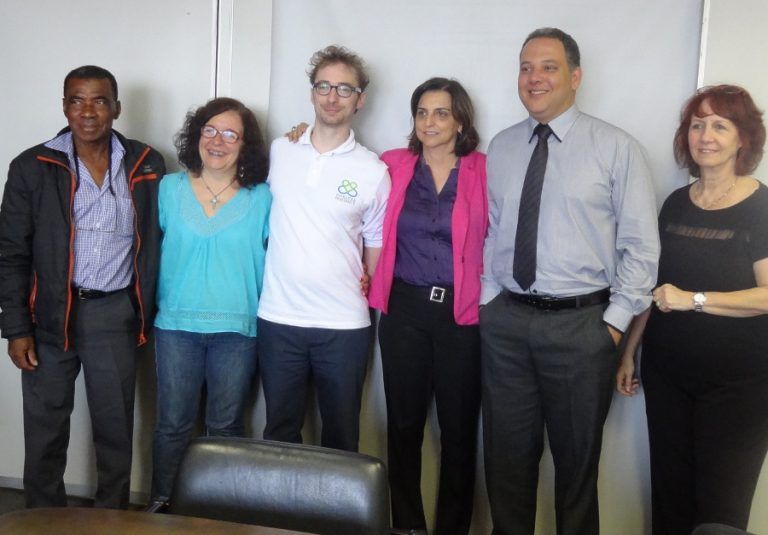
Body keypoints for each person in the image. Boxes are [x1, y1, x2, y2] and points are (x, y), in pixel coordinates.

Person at [480, 28, 659, 534]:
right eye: (526, 67)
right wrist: (489, 300)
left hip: (582, 329)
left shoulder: (616, 148)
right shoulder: (503, 146)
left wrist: (613, 325)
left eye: (549, 67)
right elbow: (493, 230)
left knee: (576, 470)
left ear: (575, 77)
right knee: (506, 465)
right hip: (507, 326)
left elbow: (641, 248)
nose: (534, 78)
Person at [0, 65, 165, 508]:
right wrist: (16, 329)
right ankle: (42, 519)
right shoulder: (32, 166)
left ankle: (111, 518)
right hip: (49, 314)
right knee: (45, 430)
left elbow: (158, 238)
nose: (87, 111)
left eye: (99, 100)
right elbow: (11, 252)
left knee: (115, 430)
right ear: (64, 106)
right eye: (77, 100)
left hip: (114, 314)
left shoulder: (146, 162)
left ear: (116, 107)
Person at [616, 85, 768, 535]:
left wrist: (695, 299)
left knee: (720, 513)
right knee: (670, 500)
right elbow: (655, 285)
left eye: (720, 125)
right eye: (698, 125)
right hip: (668, 375)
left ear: (743, 139)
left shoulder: (761, 207)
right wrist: (629, 351)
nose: (706, 136)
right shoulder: (675, 203)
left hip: (739, 386)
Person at [366, 77, 486, 535]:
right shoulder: (393, 164)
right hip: (404, 312)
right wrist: (300, 136)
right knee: (403, 427)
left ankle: (452, 528)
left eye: (441, 113)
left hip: (461, 316)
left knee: (458, 431)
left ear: (460, 121)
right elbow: (345, 177)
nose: (429, 122)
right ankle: (408, 527)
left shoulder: (483, 170)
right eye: (422, 112)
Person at [256, 45, 390, 452]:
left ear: (360, 99)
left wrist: (366, 279)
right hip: (279, 317)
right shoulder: (281, 150)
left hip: (343, 324)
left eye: (344, 89)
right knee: (280, 434)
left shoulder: (373, 171)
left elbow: (375, 239)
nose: (333, 97)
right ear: (312, 93)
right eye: (324, 86)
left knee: (341, 438)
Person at [149, 97, 270, 507]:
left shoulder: (263, 197)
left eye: (230, 134)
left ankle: (217, 513)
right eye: (210, 131)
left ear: (245, 144)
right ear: (196, 136)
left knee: (225, 428)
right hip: (176, 328)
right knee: (172, 426)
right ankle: (162, 506)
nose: (218, 141)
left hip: (237, 330)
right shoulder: (168, 189)